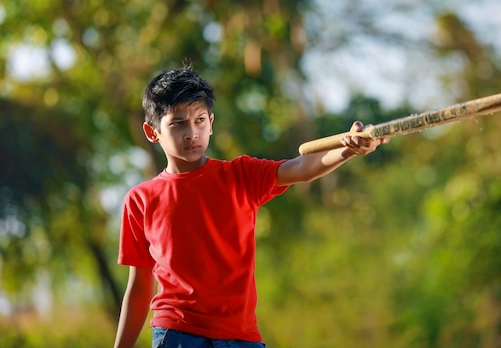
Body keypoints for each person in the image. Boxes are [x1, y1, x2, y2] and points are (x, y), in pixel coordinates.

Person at [113, 64, 387, 348]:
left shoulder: (241, 175)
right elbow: (139, 287)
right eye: (178, 123)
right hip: (178, 334)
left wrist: (348, 149)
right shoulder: (140, 200)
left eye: (200, 120)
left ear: (211, 122)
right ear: (152, 131)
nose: (192, 132)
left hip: (242, 336)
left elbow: (303, 167)